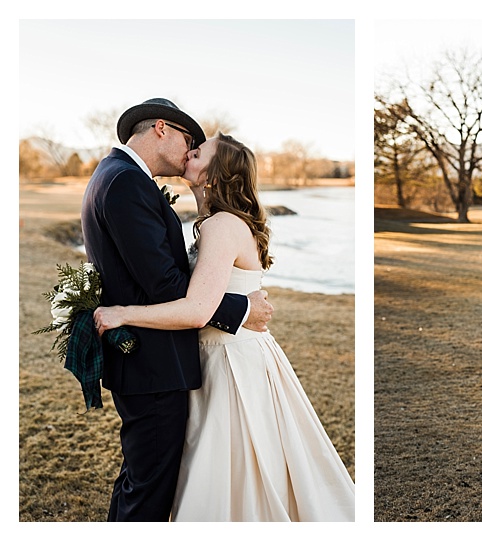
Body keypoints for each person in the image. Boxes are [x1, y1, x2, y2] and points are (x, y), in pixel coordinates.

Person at [95, 132, 355, 521]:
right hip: (220, 354)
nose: (189, 151)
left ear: (214, 176)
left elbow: (196, 310)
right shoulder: (213, 223)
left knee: (232, 473)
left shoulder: (220, 225)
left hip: (231, 363)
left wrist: (123, 313)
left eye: (198, 152)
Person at [80, 98, 273, 521]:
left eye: (199, 150)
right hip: (153, 363)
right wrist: (239, 309)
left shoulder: (115, 175)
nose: (190, 151)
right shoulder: (127, 182)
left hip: (158, 360)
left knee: (144, 480)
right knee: (149, 489)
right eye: (190, 140)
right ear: (162, 129)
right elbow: (165, 284)